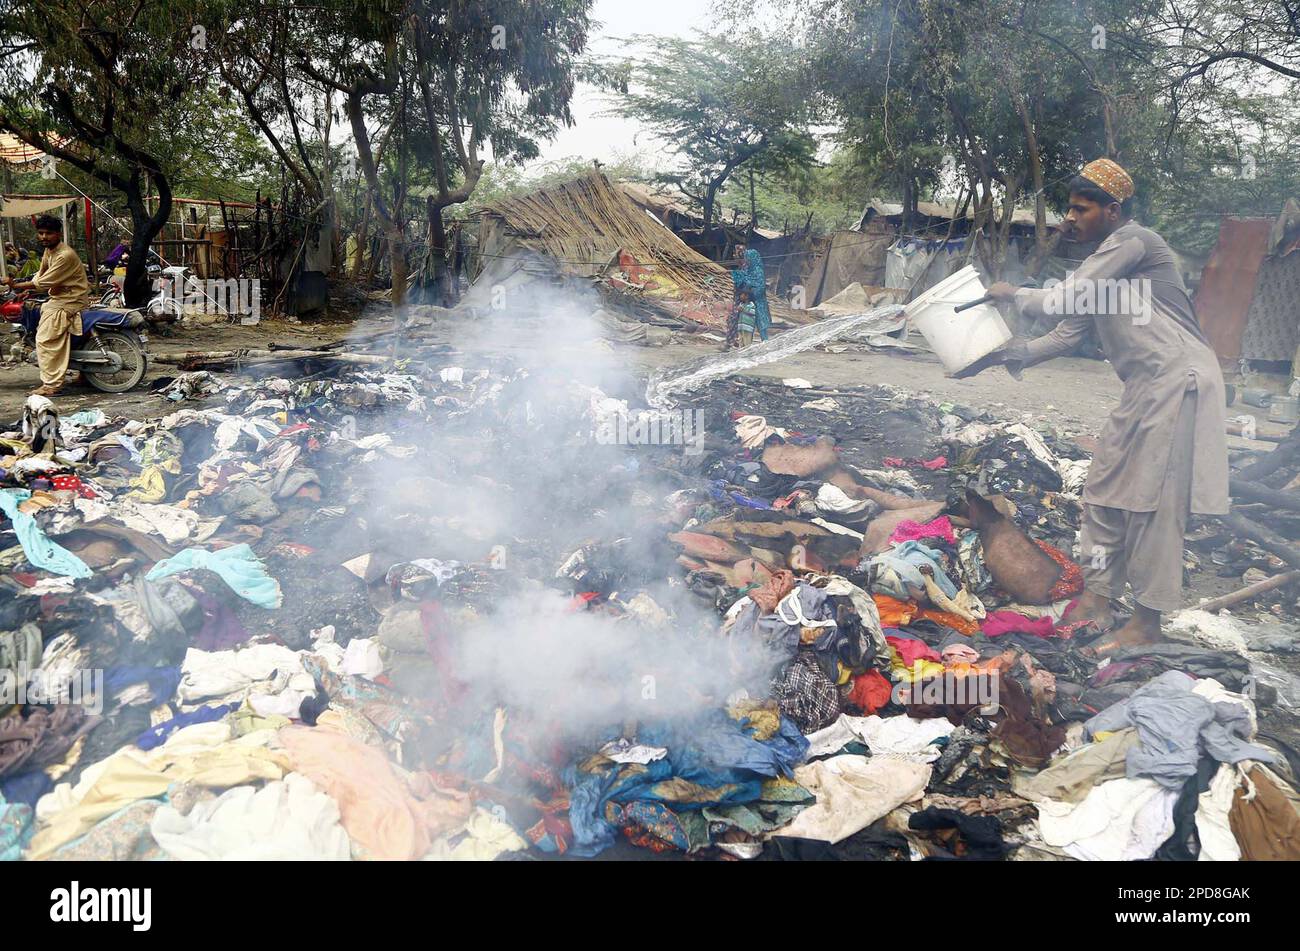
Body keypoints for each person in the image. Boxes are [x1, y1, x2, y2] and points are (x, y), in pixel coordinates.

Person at [980, 158, 1228, 651]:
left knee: (1156, 507)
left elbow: (1061, 302)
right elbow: (1068, 332)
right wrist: (1009, 354)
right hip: (1143, 388)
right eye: (1069, 209)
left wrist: (1014, 294)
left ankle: (1146, 623)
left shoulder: (1137, 242)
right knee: (1102, 494)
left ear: (1113, 211)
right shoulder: (1100, 267)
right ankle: (1097, 596)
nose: (1069, 218)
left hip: (1180, 382)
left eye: (1081, 208)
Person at [2, 215, 90, 397]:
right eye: (41, 233)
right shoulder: (50, 251)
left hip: (69, 301)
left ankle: (51, 385)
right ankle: (85, 374)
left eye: (48, 233)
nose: (43, 237)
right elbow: (39, 276)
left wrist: (14, 285)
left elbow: (44, 281)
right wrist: (27, 290)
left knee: (44, 340)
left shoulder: (64, 255)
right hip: (60, 298)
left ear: (58, 234)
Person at [730, 245, 771, 343]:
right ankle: (743, 342)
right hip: (747, 302)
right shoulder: (747, 269)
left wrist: (748, 288)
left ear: (753, 259)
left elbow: (760, 288)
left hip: (758, 302)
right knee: (746, 324)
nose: (746, 260)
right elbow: (742, 281)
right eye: (746, 258)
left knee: (761, 324)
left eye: (748, 258)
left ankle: (765, 341)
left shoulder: (758, 272)